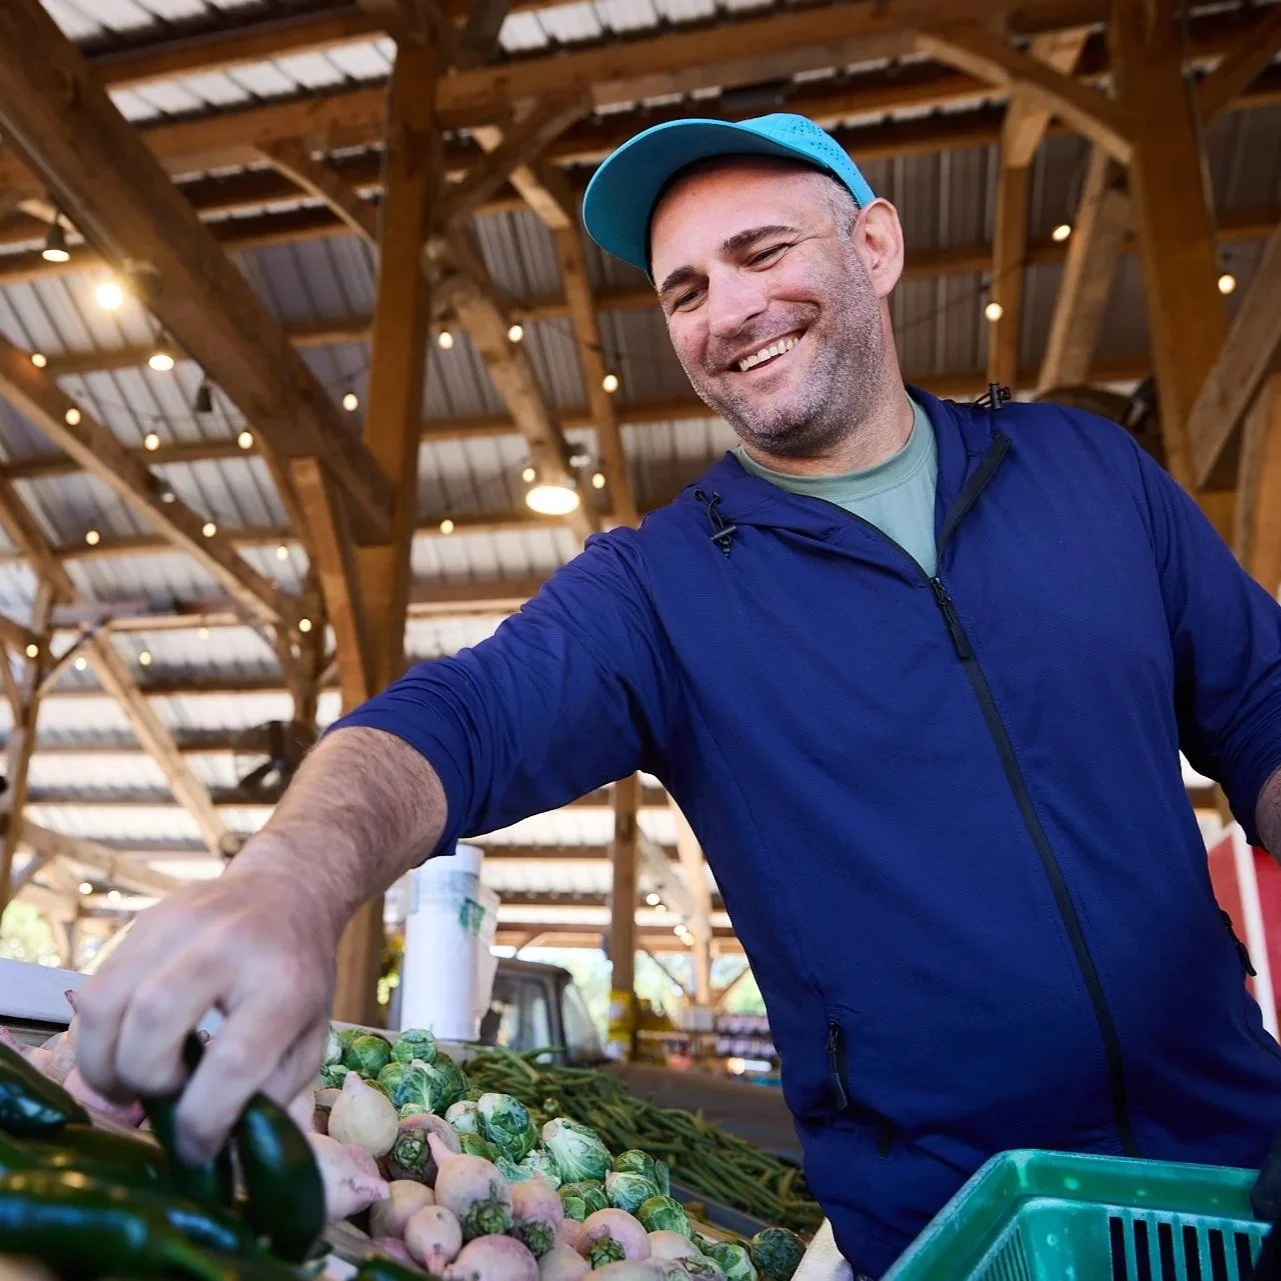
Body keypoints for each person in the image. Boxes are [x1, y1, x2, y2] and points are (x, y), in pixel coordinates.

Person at [75, 113, 1281, 1278]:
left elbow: (1262, 708)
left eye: (762, 253)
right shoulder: (660, 590)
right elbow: (460, 718)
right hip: (947, 1231)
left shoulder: (1089, 472)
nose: (729, 312)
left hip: (1236, 1175)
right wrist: (288, 882)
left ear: (874, 246)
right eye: (686, 290)